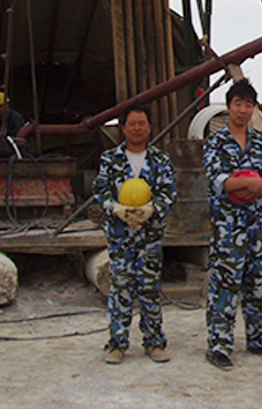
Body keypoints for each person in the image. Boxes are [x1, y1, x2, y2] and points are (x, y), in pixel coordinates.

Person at [203, 78, 262, 370]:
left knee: (256, 280)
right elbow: (217, 178)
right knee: (225, 282)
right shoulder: (216, 141)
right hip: (228, 226)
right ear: (228, 106)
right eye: (238, 103)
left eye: (249, 104)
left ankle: (257, 338)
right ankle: (219, 344)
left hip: (257, 224)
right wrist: (251, 183)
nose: (243, 109)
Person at [92, 101, 177, 365]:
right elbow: (100, 191)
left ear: (150, 127)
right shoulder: (110, 159)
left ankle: (154, 342)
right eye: (132, 124)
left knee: (150, 288)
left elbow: (169, 192)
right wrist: (115, 208)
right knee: (120, 288)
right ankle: (117, 344)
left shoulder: (160, 160)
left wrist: (154, 208)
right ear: (124, 128)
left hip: (150, 237)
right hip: (120, 237)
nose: (137, 128)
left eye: (142, 123)